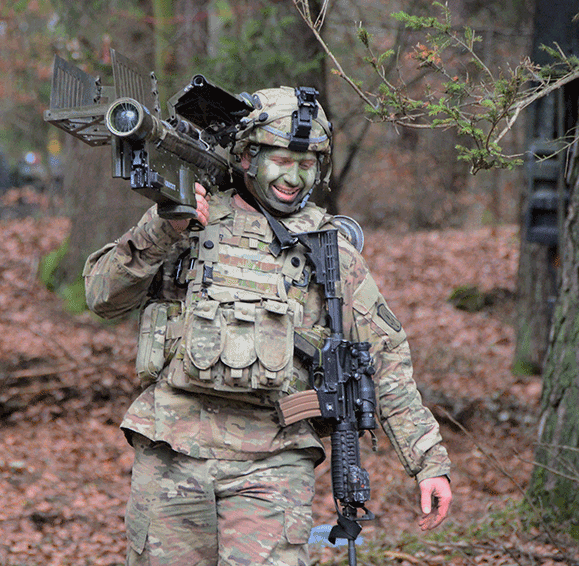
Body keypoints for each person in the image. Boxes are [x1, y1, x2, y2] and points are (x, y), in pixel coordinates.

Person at [84, 86, 452, 566]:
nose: (293, 177)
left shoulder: (329, 247)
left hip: (274, 461)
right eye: (282, 159)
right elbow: (102, 296)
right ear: (247, 157)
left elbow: (385, 358)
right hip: (172, 449)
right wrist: (161, 231)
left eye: (307, 164)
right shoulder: (188, 217)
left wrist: (429, 464)